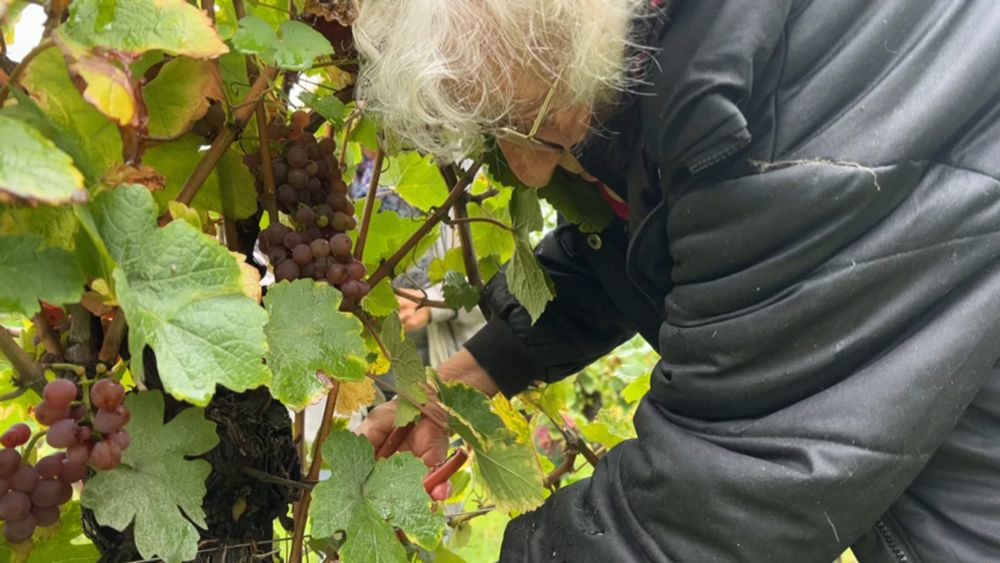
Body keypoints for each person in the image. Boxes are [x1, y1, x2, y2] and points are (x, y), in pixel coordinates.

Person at [354, 1, 1000, 561]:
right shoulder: (681, 57)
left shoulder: (795, 120)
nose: (525, 170)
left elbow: (717, 498)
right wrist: (461, 379)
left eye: (528, 121)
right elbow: (646, 251)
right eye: (496, 134)